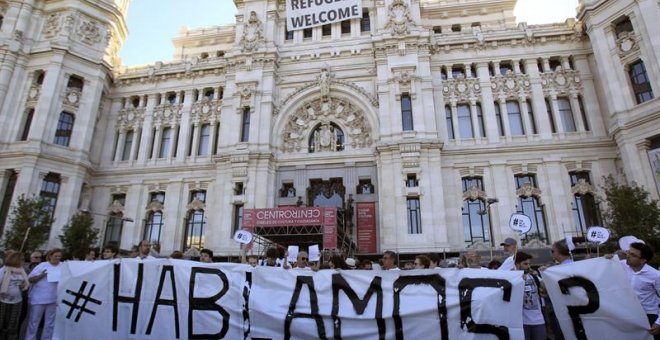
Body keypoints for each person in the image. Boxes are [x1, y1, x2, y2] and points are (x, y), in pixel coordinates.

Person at [620, 242, 660, 339]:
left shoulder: (655, 275)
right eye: (628, 252)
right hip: (627, 315)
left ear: (643, 260)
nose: (628, 256)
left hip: (649, 316)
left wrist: (659, 323)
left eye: (633, 255)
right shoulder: (620, 265)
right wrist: (607, 259)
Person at [26, 248, 62, 340]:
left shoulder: (62, 266)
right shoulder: (42, 265)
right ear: (50, 256)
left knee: (50, 323)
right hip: (39, 299)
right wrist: (41, 275)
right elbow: (30, 280)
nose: (57, 258)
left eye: (59, 256)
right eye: (55, 256)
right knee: (34, 322)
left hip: (54, 299)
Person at [515, 252, 546, 340]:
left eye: (529, 263)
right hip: (521, 323)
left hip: (538, 320)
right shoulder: (513, 278)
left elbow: (545, 288)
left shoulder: (533, 277)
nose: (528, 266)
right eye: (525, 264)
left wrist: (544, 274)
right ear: (517, 264)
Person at [0, 251, 30, 340]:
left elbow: (26, 284)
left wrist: (23, 286)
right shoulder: (3, 270)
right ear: (15, 260)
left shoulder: (22, 270)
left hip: (17, 301)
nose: (23, 261)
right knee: (1, 322)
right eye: (21, 259)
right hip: (3, 301)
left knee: (13, 323)